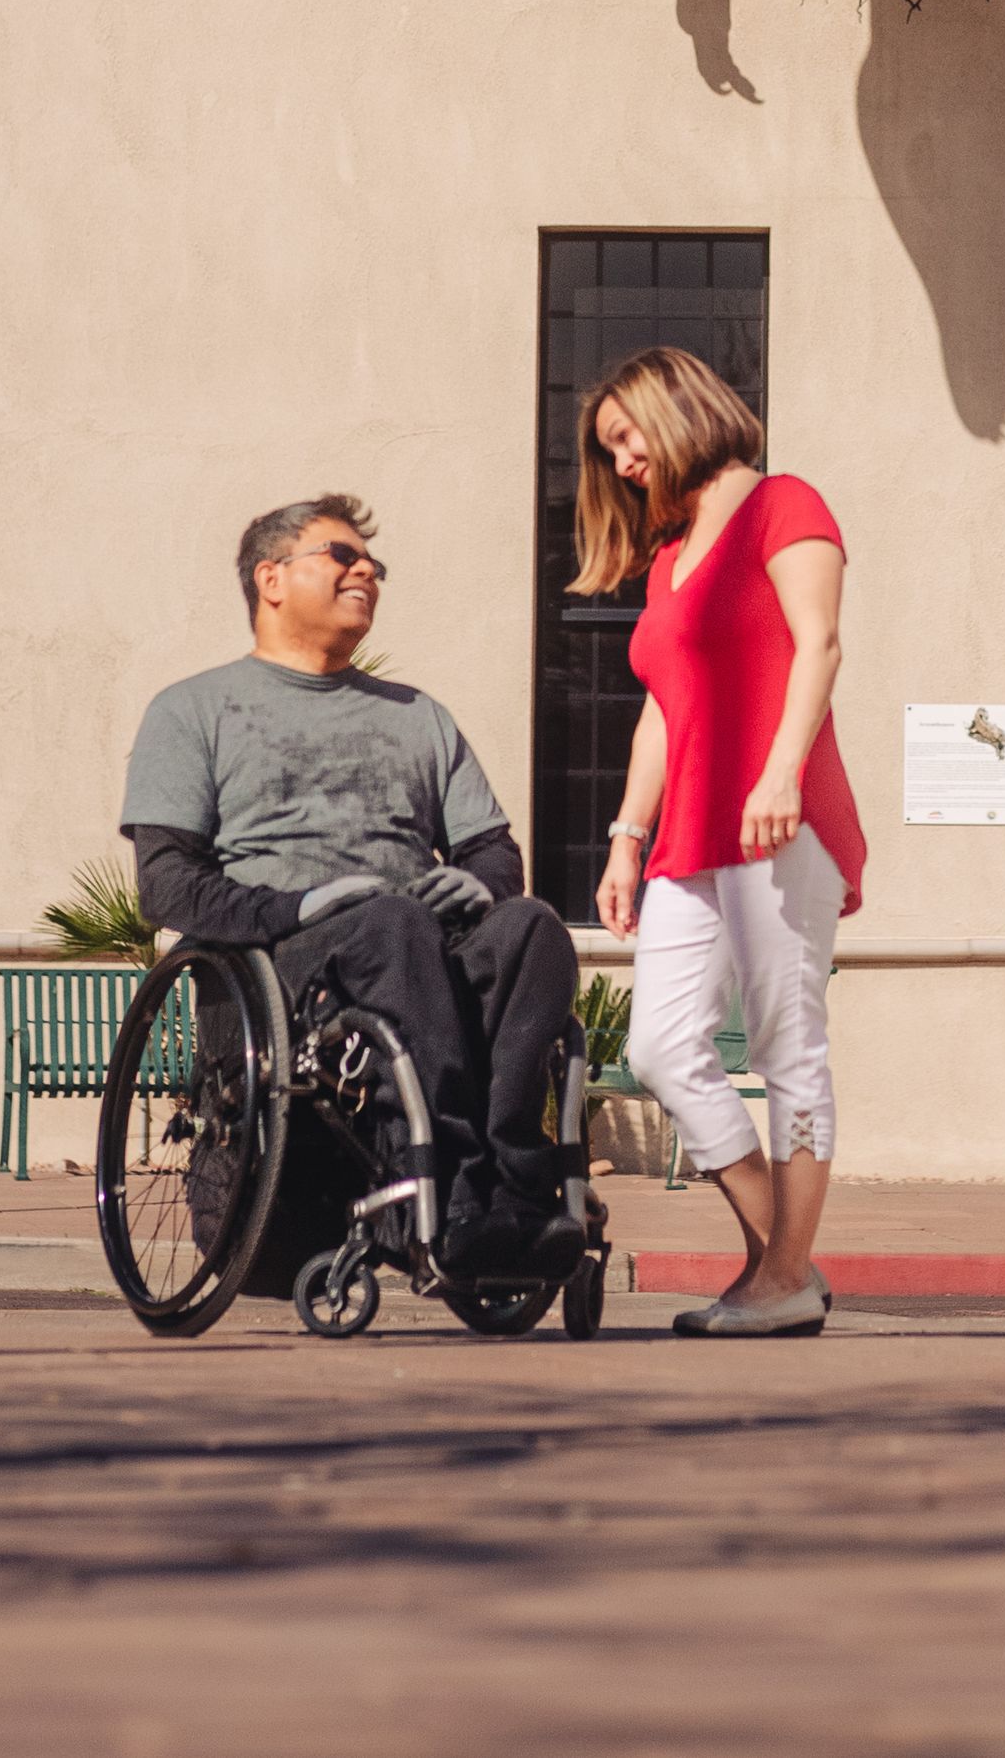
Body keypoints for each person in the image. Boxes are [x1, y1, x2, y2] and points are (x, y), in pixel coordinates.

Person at [120, 492, 583, 1280]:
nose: (366, 569)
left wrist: (474, 885)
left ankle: (515, 1184)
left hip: (417, 948)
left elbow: (495, 853)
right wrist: (297, 907)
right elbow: (166, 886)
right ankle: (455, 1193)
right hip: (285, 970)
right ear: (271, 579)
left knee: (531, 925)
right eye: (341, 555)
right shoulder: (193, 709)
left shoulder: (418, 716)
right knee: (390, 923)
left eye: (373, 563)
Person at [583, 349, 866, 1336]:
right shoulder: (668, 556)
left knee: (790, 1052)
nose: (622, 462)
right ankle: (782, 1258)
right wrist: (625, 838)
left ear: (676, 410)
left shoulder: (784, 504)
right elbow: (661, 710)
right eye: (609, 448)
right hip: (687, 838)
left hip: (778, 824)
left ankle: (780, 1276)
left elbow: (817, 644)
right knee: (661, 1048)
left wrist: (781, 770)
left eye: (627, 437)